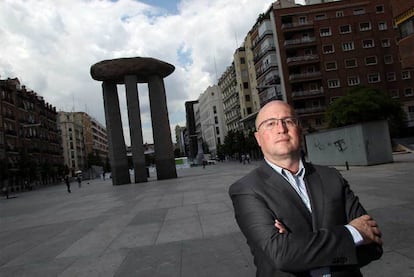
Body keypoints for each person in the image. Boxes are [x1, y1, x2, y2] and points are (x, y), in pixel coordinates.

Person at [229, 100, 382, 277]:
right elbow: (282, 255)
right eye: (270, 123)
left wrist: (298, 246)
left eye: (288, 121)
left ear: (299, 129)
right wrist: (353, 233)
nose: (281, 129)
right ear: (258, 138)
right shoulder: (246, 189)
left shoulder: (332, 177)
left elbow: (373, 245)